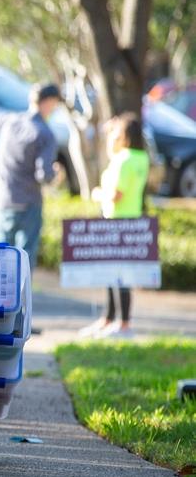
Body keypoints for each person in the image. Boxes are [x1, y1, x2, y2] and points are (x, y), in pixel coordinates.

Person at [80, 113, 149, 339]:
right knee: (119, 273)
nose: (115, 137)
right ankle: (111, 319)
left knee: (116, 274)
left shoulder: (123, 160)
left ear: (126, 135)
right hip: (132, 219)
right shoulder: (141, 158)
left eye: (118, 133)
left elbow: (115, 194)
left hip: (115, 218)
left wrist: (98, 194)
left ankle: (122, 323)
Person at [0, 83, 60, 270]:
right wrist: (56, 174)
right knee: (23, 258)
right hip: (28, 202)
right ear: (49, 102)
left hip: (2, 198)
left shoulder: (9, 121)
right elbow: (44, 175)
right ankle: (21, 299)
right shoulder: (45, 133)